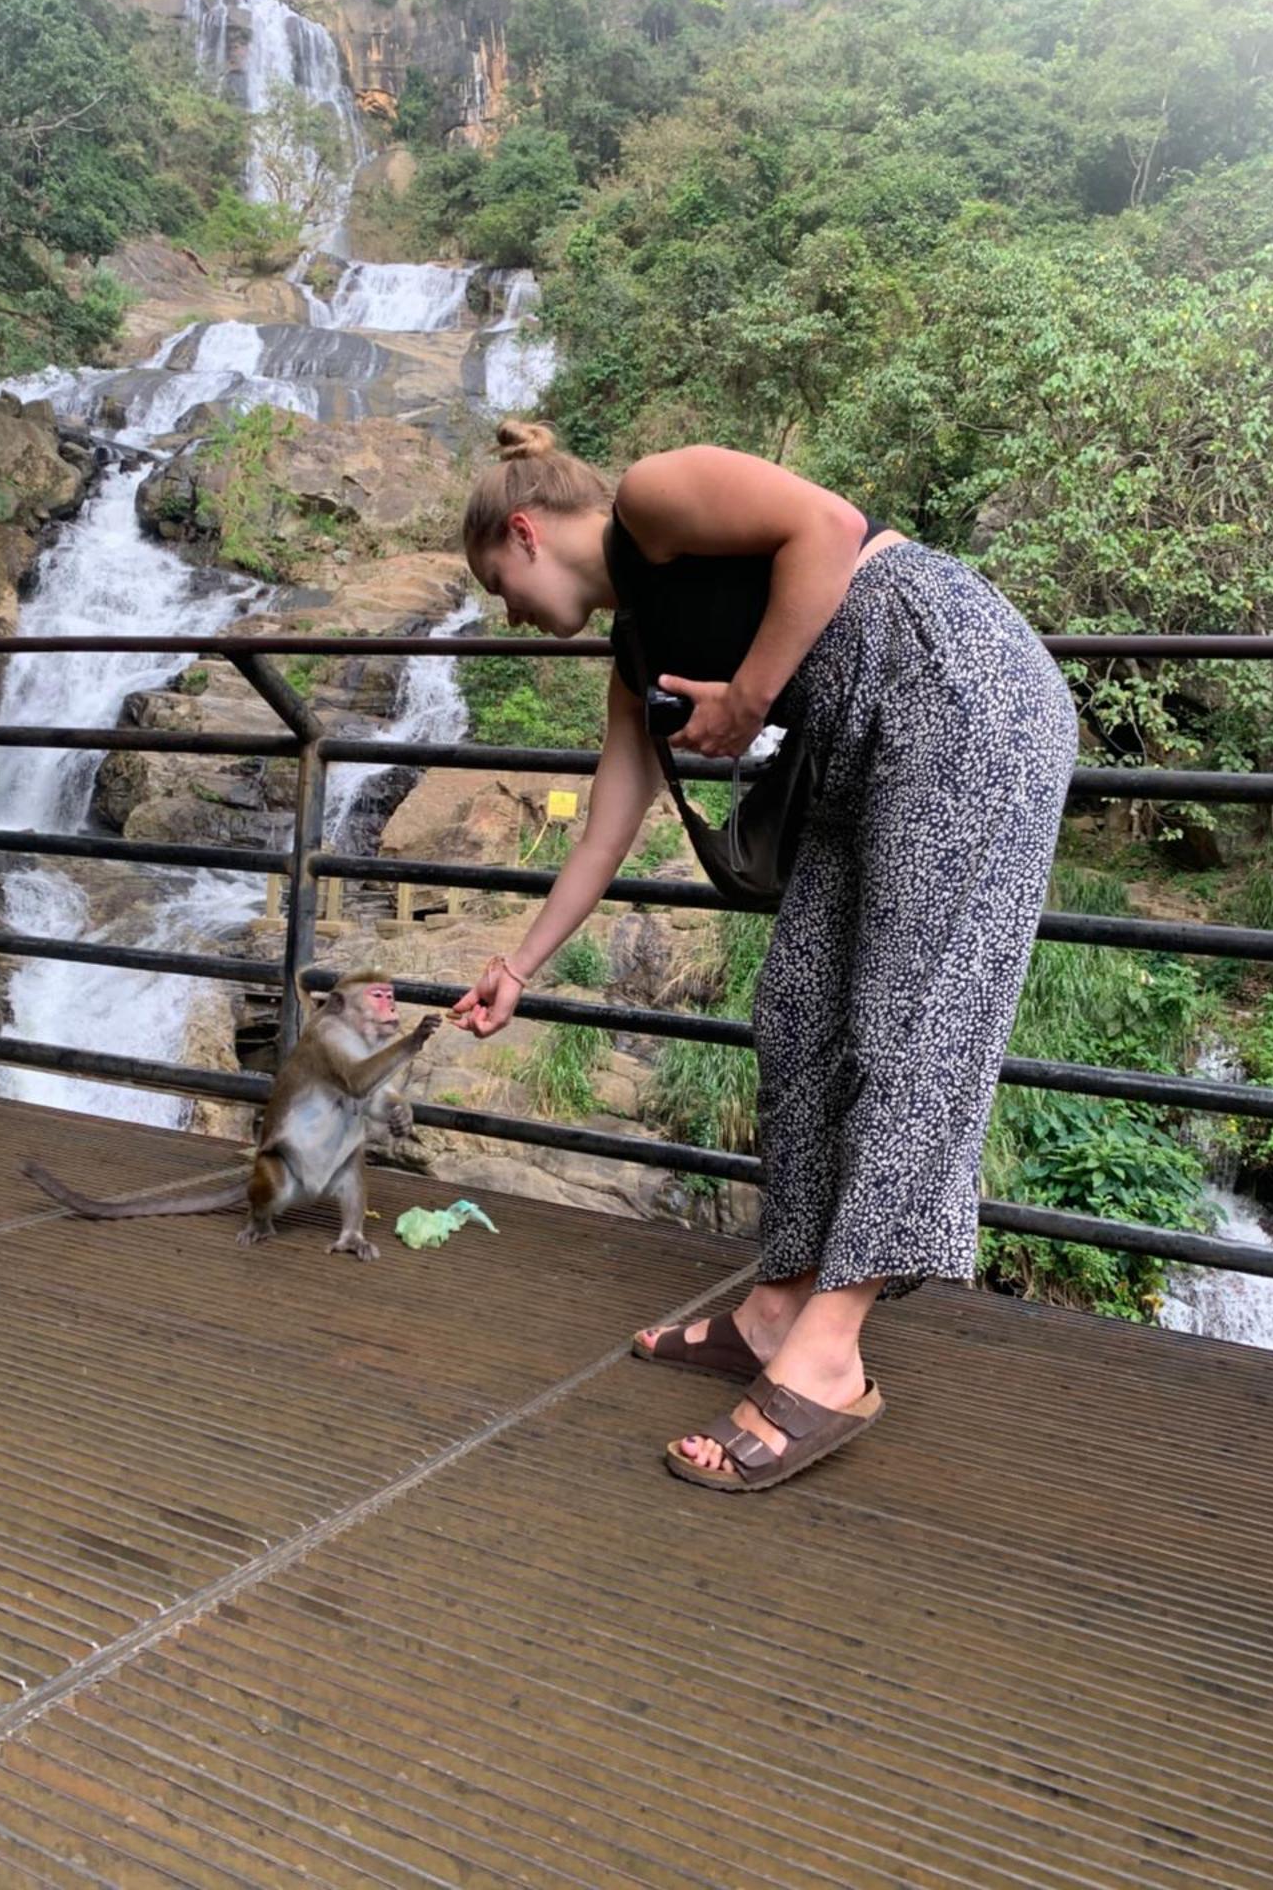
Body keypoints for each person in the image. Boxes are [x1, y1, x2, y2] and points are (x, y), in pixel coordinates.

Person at [451, 420, 1076, 1493]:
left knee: (914, 1022)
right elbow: (608, 824)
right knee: (793, 1005)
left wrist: (744, 702)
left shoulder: (653, 500)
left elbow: (827, 528)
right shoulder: (636, 651)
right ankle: (779, 1296)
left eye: (496, 580)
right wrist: (520, 965)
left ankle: (830, 1356)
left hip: (958, 686)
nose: (505, 609)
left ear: (525, 530)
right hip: (853, 755)